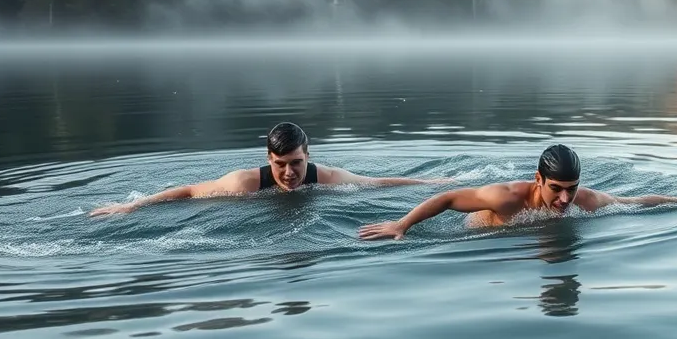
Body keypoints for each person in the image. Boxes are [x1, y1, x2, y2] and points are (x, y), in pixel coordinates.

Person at [358, 143, 677, 240]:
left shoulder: (584, 200)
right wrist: (402, 225)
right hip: (476, 232)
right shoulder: (506, 197)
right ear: (538, 179)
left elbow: (633, 201)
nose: (565, 199)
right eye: (557, 189)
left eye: (572, 189)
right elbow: (448, 198)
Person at [89, 122, 449, 216]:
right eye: (281, 165)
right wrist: (131, 206)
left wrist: (431, 182)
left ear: (309, 156)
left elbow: (376, 183)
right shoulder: (244, 183)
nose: (290, 173)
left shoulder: (325, 178)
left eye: (297, 163)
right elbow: (186, 191)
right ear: (267, 158)